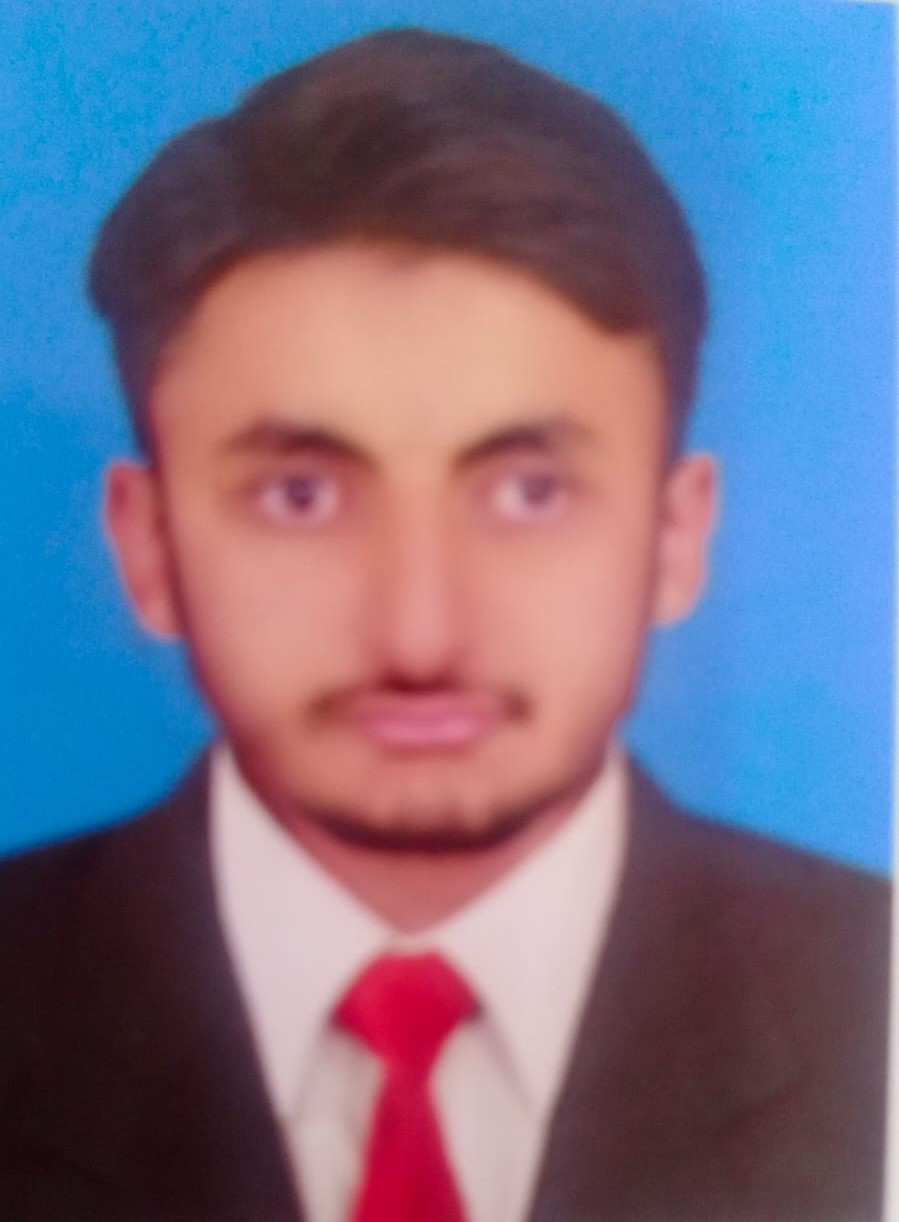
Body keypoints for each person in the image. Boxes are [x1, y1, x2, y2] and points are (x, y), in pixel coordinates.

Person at [0, 27, 889, 1222]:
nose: (419, 636)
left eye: (528, 492)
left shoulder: (871, 996)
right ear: (145, 544)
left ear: (675, 536)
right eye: (299, 496)